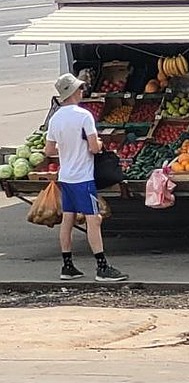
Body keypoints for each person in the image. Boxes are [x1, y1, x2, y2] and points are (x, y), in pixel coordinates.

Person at [44, 73, 128, 283]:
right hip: (83, 177)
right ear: (72, 92)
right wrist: (98, 145)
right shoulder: (84, 116)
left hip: (66, 176)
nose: (82, 91)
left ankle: (67, 265)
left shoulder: (55, 119)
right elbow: (93, 147)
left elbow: (48, 150)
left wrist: (67, 149)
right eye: (80, 89)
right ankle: (102, 267)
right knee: (94, 220)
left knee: (68, 219)